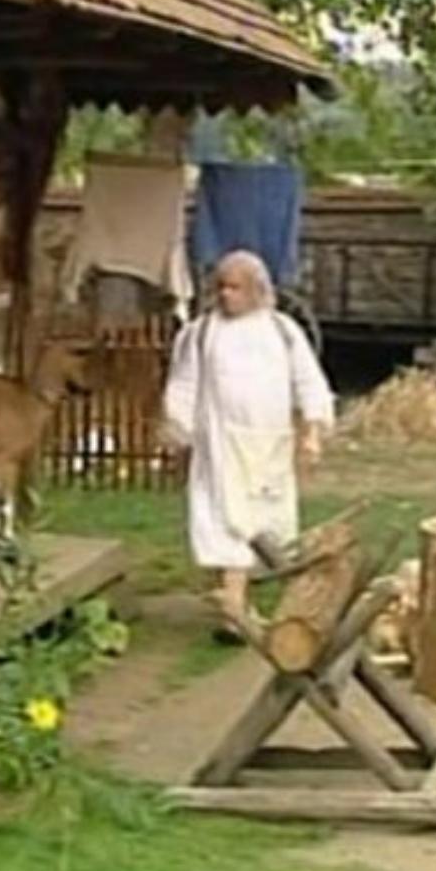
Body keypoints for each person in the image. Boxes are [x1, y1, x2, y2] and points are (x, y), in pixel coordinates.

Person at [162, 250, 335, 636]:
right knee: (226, 521)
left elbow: (307, 381)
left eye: (236, 287)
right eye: (222, 286)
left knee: (265, 525)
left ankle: (241, 600)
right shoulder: (201, 334)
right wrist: (179, 431)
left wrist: (312, 432)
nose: (227, 294)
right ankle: (234, 612)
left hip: (270, 447)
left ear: (257, 289)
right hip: (220, 446)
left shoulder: (283, 332)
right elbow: (185, 384)